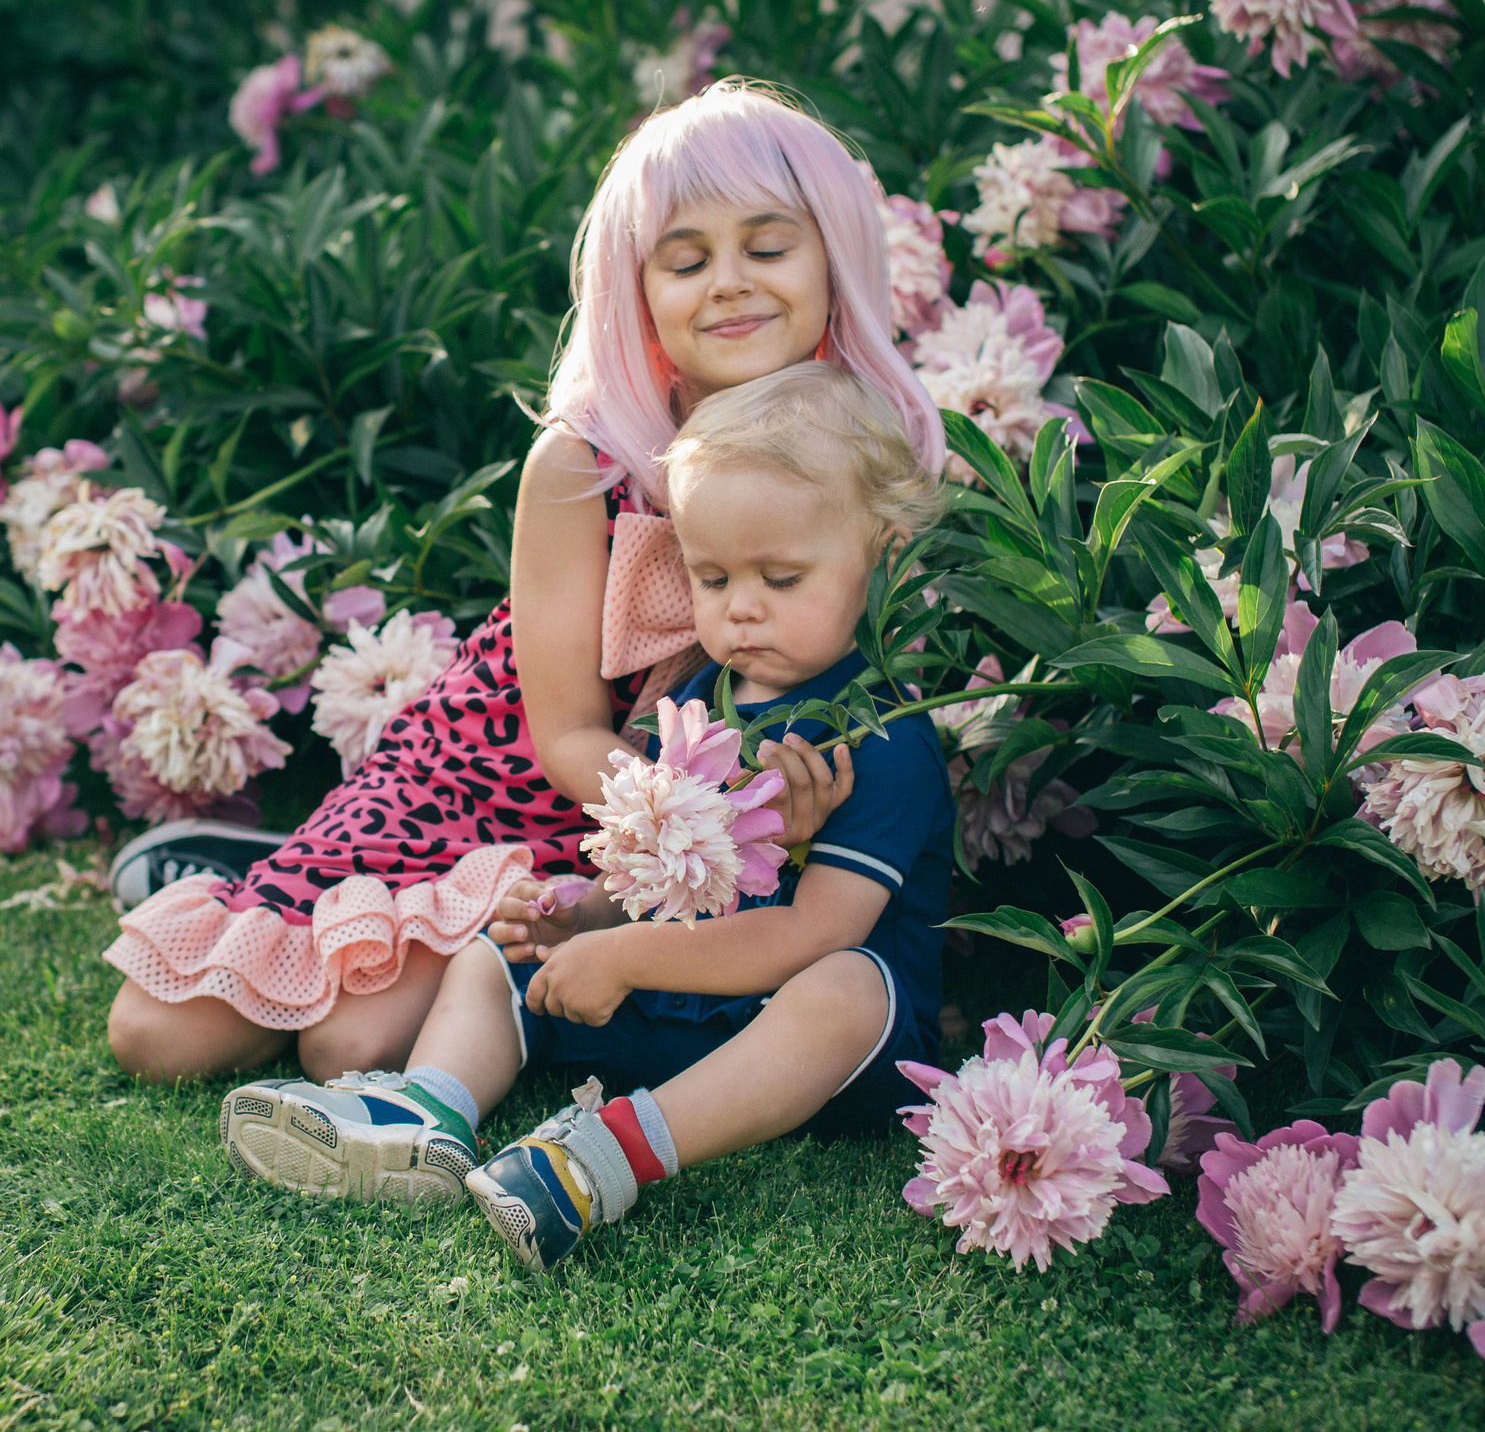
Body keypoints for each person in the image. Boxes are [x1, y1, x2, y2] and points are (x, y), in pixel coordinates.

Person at [101, 81, 947, 1083]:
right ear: (637, 289)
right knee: (158, 1040)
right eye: (685, 260)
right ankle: (287, 865)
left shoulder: (869, 455)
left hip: (651, 849)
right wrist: (717, 819)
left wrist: (759, 826)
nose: (728, 283)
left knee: (352, 1047)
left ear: (833, 261)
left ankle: (293, 880)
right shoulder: (587, 460)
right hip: (509, 785)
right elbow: (564, 737)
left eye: (767, 249)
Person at [216, 363, 956, 1271]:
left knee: (849, 988)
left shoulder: (881, 737)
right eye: (713, 577)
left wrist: (625, 951)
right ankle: (427, 1110)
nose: (743, 607)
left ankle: (603, 1157)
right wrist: (587, 915)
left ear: (879, 556)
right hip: (689, 1003)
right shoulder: (701, 698)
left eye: (783, 576)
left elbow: (815, 928)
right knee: (505, 945)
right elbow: (656, 887)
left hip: (806, 1047)